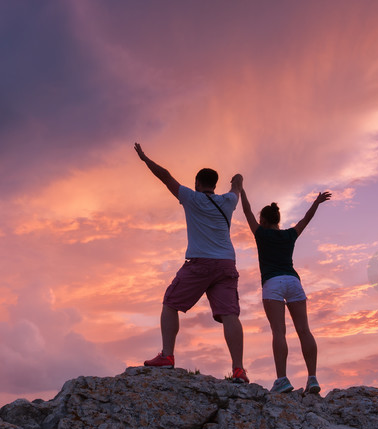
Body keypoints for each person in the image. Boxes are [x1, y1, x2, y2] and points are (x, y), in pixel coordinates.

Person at [134, 143, 249, 383]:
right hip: (227, 263)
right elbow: (237, 185)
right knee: (230, 315)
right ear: (214, 185)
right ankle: (238, 369)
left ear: (197, 183)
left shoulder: (190, 197)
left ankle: (167, 356)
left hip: (200, 263)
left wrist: (145, 159)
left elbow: (165, 177)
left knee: (170, 302)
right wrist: (237, 178)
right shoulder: (228, 201)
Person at [239, 182, 332, 394]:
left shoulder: (260, 233)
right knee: (304, 330)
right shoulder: (290, 234)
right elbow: (305, 220)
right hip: (293, 281)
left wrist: (242, 189)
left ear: (262, 220)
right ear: (278, 220)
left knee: (279, 332)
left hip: (272, 283)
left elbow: (245, 211)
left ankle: (282, 379)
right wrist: (316, 202)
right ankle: (313, 378)